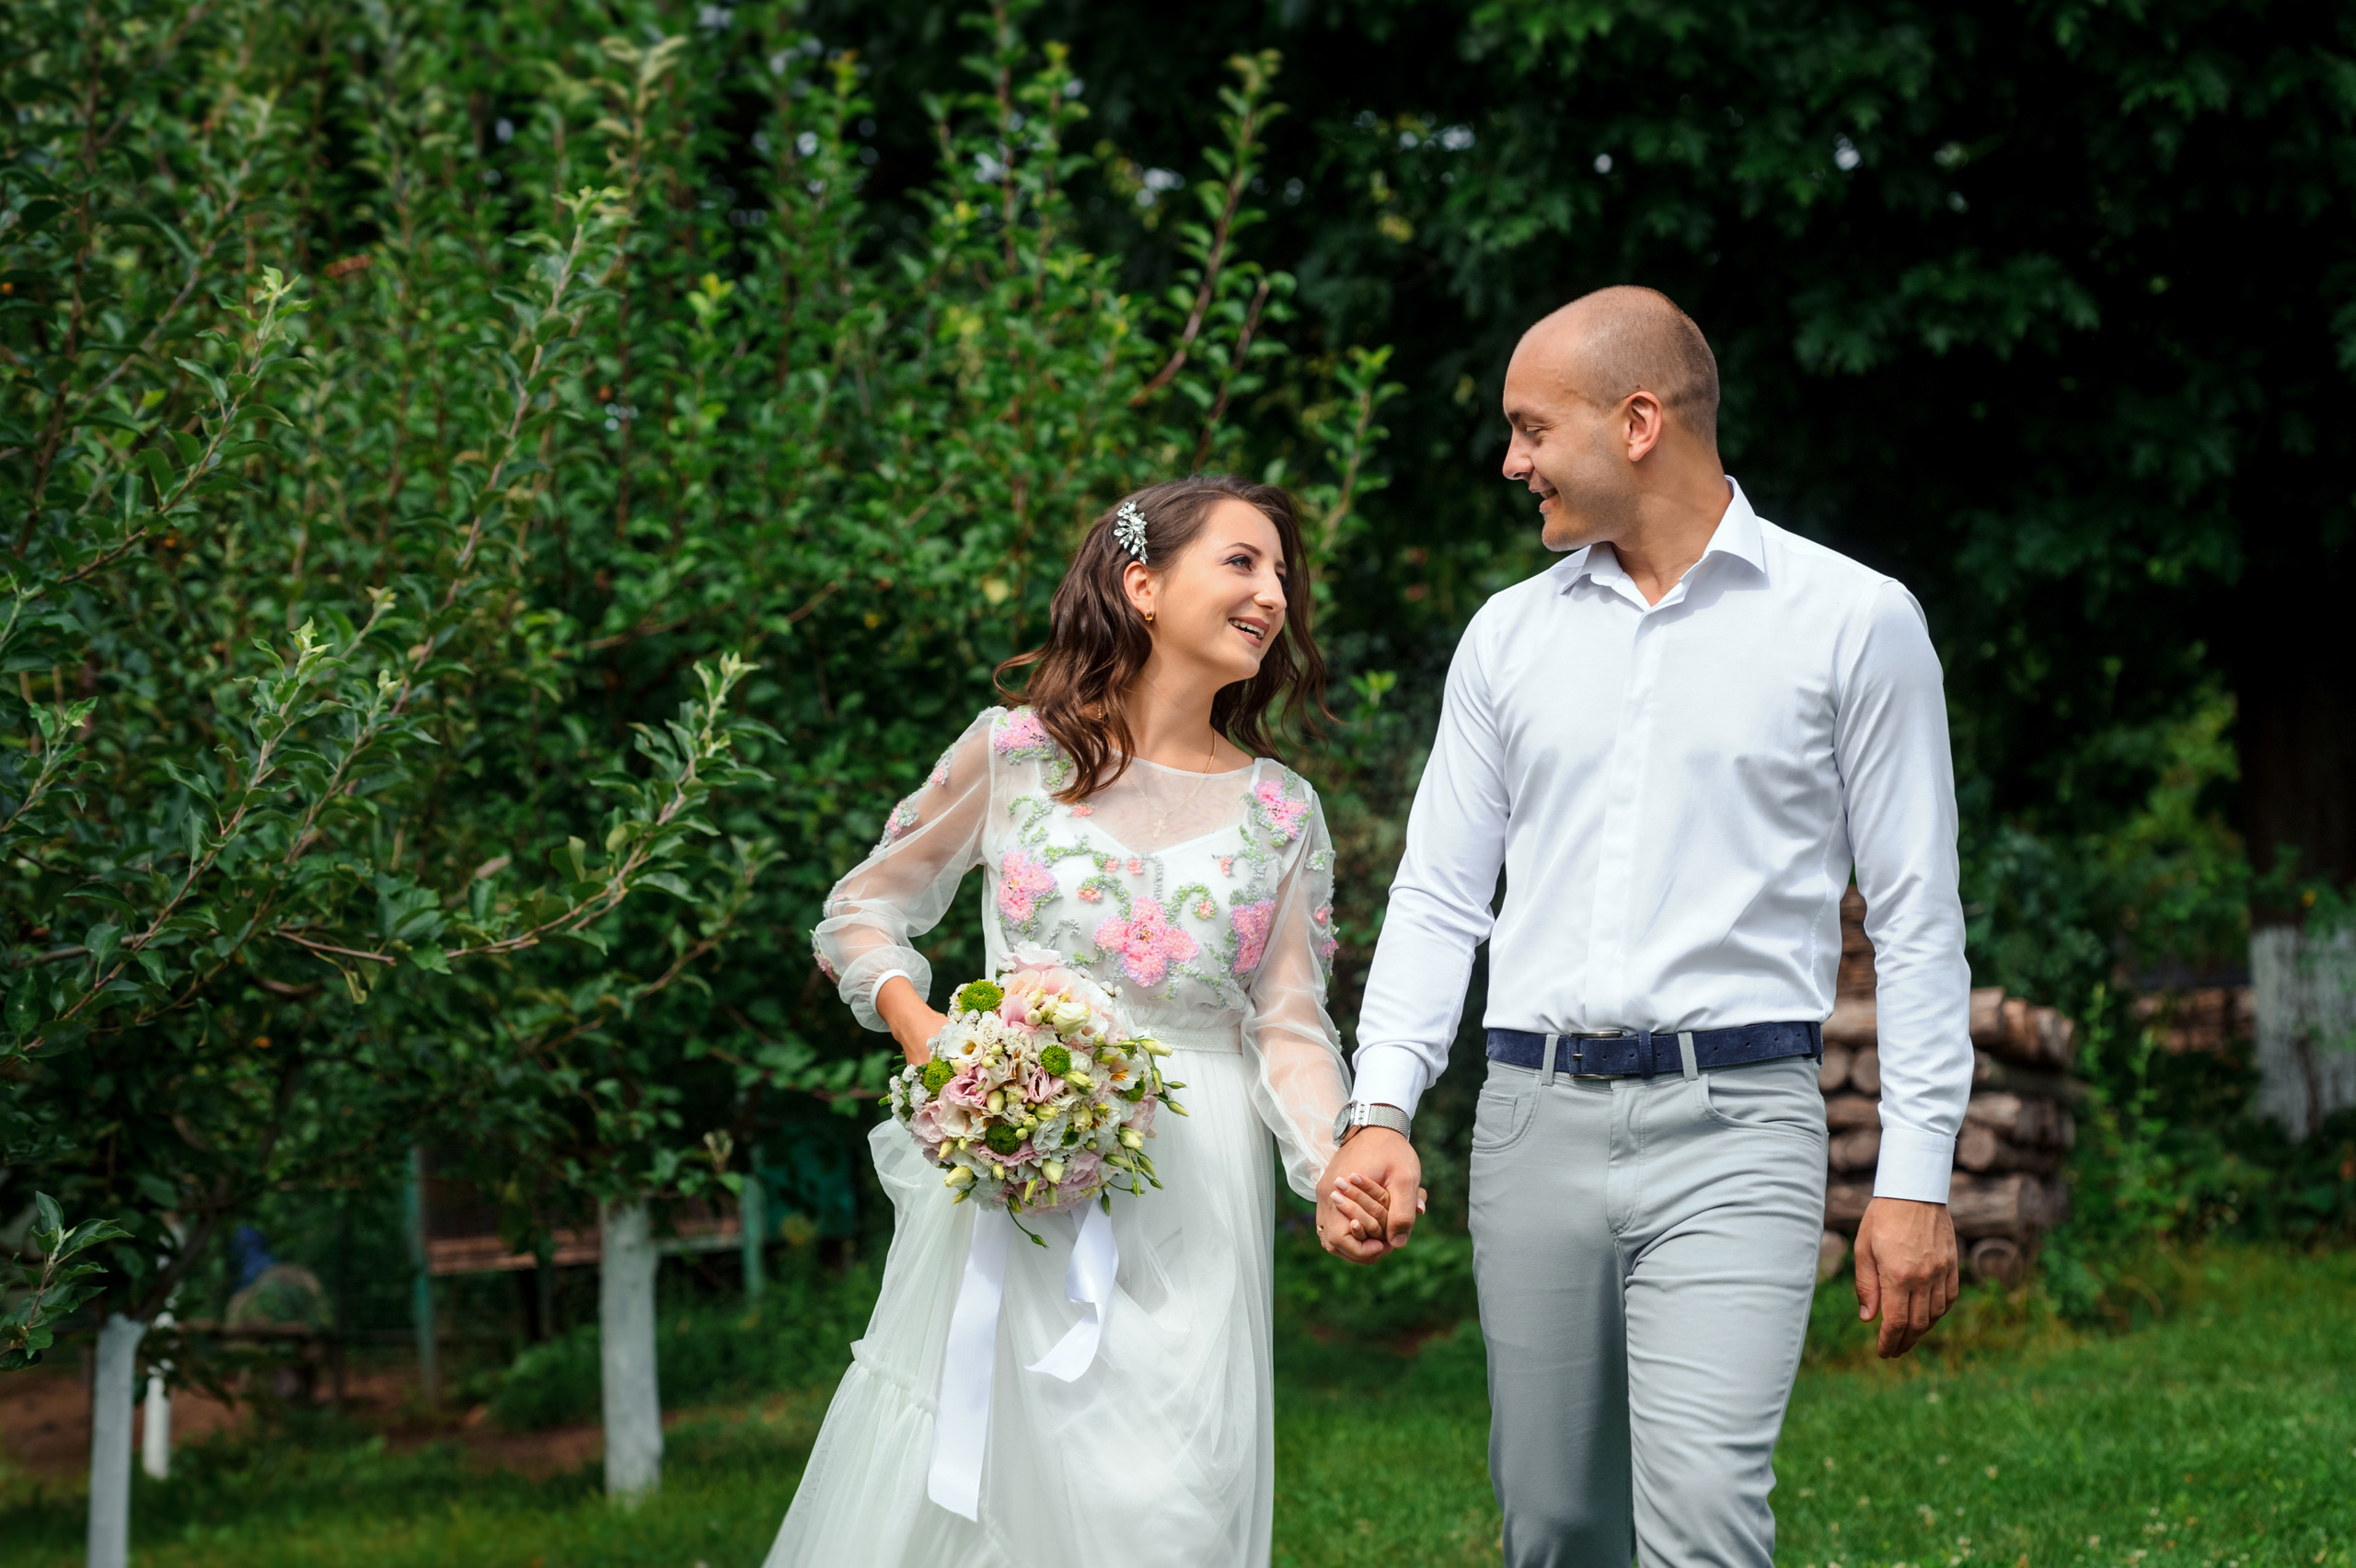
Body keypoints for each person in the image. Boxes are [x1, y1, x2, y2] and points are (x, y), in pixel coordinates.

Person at [1321, 286, 1976, 1566]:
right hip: (1530, 1123)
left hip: (1739, 1127)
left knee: (1706, 1518)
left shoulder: (1854, 621)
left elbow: (1916, 919)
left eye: (1529, 429)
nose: (1511, 464)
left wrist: (1915, 1177)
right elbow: (1442, 894)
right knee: (1558, 1524)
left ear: (1636, 423)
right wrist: (1381, 1108)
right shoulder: (1506, 637)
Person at [766, 476, 1392, 1567]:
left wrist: (1332, 1165)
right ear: (1142, 584)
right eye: (1243, 562)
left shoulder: (1284, 809)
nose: (1275, 593)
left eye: (1284, 574)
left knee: (1178, 1504)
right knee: (999, 1493)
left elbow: (1289, 1026)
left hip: (1197, 1186)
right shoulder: (1014, 756)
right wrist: (939, 1044)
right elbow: (861, 911)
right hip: (1022, 1178)